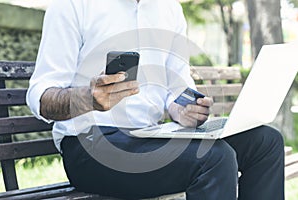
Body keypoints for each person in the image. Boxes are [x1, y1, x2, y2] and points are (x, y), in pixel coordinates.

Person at [26, 0, 285, 199]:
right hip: (87, 144)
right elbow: (41, 95)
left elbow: (176, 88)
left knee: (266, 142)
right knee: (214, 158)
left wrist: (184, 109)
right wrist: (87, 98)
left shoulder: (168, 8)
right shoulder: (73, 4)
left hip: (150, 136)